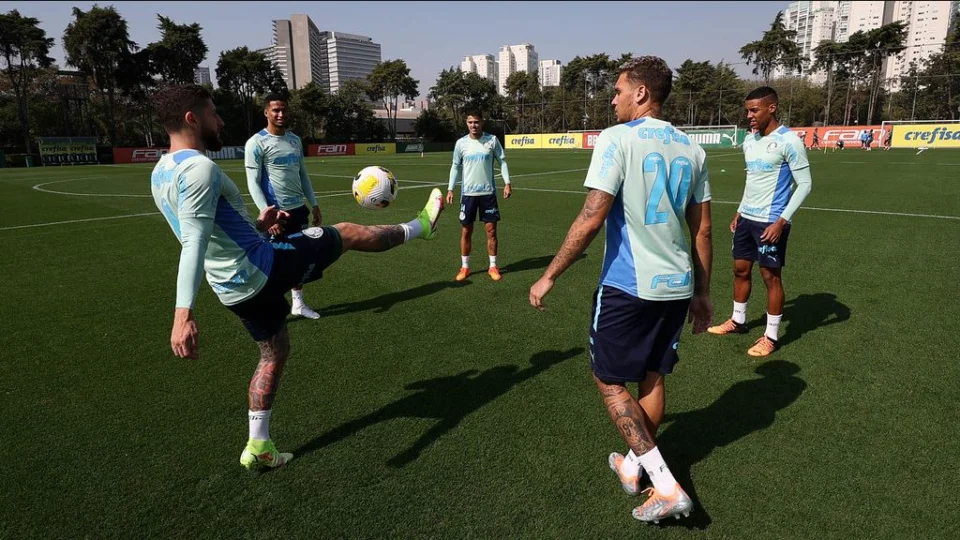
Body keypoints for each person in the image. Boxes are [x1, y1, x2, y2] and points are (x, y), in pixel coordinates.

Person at [149, 84, 444, 470]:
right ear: (192, 118)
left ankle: (259, 445)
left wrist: (256, 224)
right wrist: (182, 314)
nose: (219, 119)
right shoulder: (200, 168)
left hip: (232, 288)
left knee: (274, 351)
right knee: (349, 232)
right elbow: (193, 240)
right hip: (261, 267)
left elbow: (212, 235)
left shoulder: (159, 172)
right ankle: (421, 226)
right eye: (213, 113)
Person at [528, 56, 713, 524]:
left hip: (629, 286)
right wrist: (703, 292)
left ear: (642, 94)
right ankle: (633, 467)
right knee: (651, 376)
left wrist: (550, 274)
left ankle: (667, 485)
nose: (612, 98)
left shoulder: (617, 139)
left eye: (617, 90)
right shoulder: (693, 149)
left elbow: (592, 215)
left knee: (609, 380)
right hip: (677, 284)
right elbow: (703, 231)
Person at [707, 86, 813, 357]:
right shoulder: (749, 141)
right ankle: (738, 321)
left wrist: (781, 221)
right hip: (747, 219)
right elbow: (752, 180)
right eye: (747, 110)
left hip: (771, 222)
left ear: (772, 108)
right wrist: (740, 210)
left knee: (770, 276)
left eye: (754, 110)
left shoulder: (790, 141)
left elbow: (804, 185)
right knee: (740, 270)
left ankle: (771, 336)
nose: (749, 115)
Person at [245, 93, 322, 320]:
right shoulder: (256, 142)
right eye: (275, 110)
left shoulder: (295, 140)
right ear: (266, 112)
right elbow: (253, 182)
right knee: (273, 262)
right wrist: (267, 215)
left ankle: (298, 304)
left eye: (284, 110)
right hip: (276, 212)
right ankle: (265, 308)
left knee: (298, 259)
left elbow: (303, 175)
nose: (281, 114)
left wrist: (314, 203)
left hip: (298, 209)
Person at [446, 110, 512, 282]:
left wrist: (507, 183)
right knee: (466, 231)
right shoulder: (461, 144)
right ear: (466, 123)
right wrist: (450, 189)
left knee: (491, 231)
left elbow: (502, 161)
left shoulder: (492, 140)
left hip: (488, 193)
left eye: (476, 122)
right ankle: (465, 267)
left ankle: (493, 266)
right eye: (470, 122)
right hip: (468, 194)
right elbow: (455, 166)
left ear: (482, 122)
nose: (473, 125)